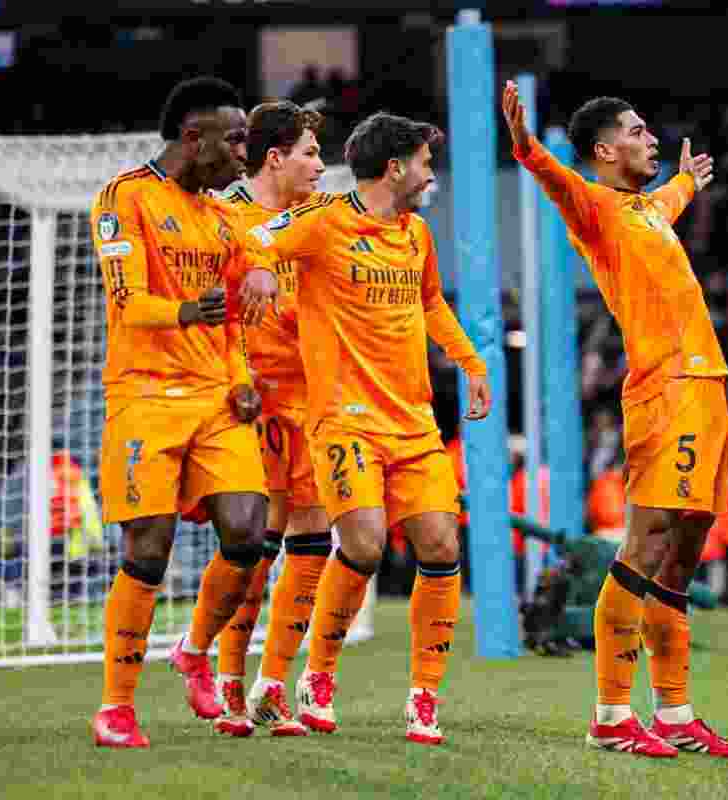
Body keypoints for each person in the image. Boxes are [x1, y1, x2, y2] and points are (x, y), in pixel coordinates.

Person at [504, 81, 728, 759]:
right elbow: (556, 180)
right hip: (666, 391)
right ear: (606, 149)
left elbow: (666, 200)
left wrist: (687, 184)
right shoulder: (597, 207)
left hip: (707, 388)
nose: (652, 139)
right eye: (638, 131)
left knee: (681, 558)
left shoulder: (648, 210)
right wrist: (526, 146)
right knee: (646, 544)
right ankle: (612, 715)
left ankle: (674, 715)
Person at [236, 111, 492, 746]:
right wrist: (263, 265)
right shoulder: (324, 221)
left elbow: (431, 303)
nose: (433, 174)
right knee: (367, 542)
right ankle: (315, 678)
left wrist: (470, 362)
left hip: (413, 423)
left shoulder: (418, 235)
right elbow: (253, 236)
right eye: (426, 163)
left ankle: (424, 698)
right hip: (345, 420)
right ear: (396, 167)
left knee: (440, 545)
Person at [89, 76, 269, 748]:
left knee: (249, 533)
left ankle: (195, 649)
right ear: (195, 139)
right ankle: (116, 706)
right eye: (238, 139)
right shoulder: (124, 197)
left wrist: (244, 376)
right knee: (148, 551)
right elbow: (126, 300)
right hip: (144, 397)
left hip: (217, 401)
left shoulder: (222, 217)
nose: (245, 154)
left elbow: (238, 311)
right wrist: (188, 311)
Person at [209, 100, 329, 738]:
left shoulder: (316, 217)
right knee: (250, 545)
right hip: (250, 398)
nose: (320, 164)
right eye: (310, 152)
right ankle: (227, 680)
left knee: (314, 540)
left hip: (312, 398)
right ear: (276, 157)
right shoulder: (223, 214)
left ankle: (274, 685)